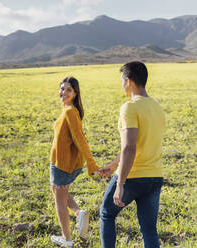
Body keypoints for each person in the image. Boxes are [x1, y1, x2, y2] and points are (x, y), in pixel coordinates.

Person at [98, 61, 166, 248]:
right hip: (154, 177)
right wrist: (113, 165)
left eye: (121, 80)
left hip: (133, 177)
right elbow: (141, 143)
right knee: (149, 230)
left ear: (128, 81)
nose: (121, 84)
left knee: (106, 214)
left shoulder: (129, 107)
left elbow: (130, 148)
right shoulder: (157, 107)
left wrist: (120, 182)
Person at [50, 76, 99, 247]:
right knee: (56, 191)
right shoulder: (69, 110)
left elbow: (80, 139)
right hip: (62, 162)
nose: (63, 92)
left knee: (60, 201)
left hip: (63, 164)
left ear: (75, 94)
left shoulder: (70, 112)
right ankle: (79, 213)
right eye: (62, 88)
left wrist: (92, 164)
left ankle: (67, 239)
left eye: (68, 90)